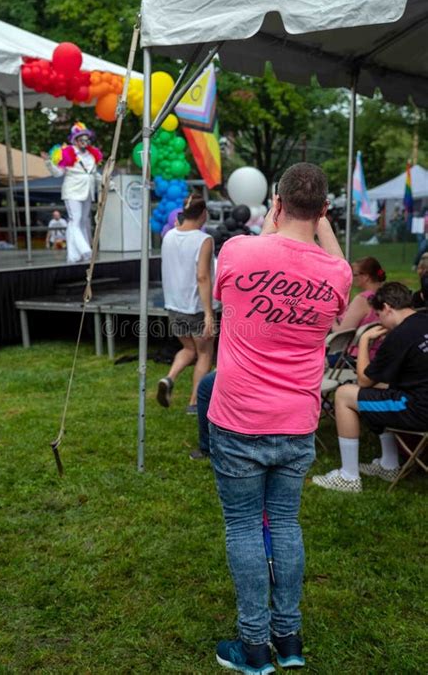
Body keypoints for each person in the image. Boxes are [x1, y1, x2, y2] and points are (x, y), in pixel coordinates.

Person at [208, 163, 352, 674]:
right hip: (296, 420)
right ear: (323, 213)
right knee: (285, 525)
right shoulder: (336, 273)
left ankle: (252, 648)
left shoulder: (238, 250)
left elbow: (243, 272)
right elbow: (340, 268)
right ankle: (287, 640)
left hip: (239, 417)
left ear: (278, 204)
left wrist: (280, 219)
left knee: (245, 527)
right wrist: (319, 223)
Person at [312, 282, 428, 493]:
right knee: (382, 388)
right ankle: (389, 464)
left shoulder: (399, 335)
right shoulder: (423, 319)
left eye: (378, 315)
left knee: (344, 395)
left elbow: (365, 380)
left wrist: (364, 340)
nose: (379, 321)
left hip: (419, 410)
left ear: (386, 308)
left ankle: (348, 476)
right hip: (419, 398)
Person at [157, 193, 215, 414]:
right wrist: (209, 313)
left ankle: (169, 378)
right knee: (205, 354)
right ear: (203, 214)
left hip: (173, 306)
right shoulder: (203, 240)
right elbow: (202, 276)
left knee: (188, 348)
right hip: (195, 307)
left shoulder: (168, 236)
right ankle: (194, 402)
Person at [41, 122, 103, 264]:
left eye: (86, 138)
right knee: (76, 219)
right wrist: (49, 163)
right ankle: (85, 249)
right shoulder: (67, 153)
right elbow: (58, 173)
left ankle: (74, 256)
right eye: (81, 138)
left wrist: (108, 182)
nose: (84, 141)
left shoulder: (91, 155)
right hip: (72, 191)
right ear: (75, 140)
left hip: (87, 192)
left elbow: (94, 174)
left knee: (83, 221)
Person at [331, 256, 386, 360]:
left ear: (365, 277)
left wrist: (331, 319)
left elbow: (340, 334)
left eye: (355, 274)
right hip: (381, 352)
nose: (352, 277)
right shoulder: (386, 295)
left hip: (358, 356)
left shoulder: (362, 300)